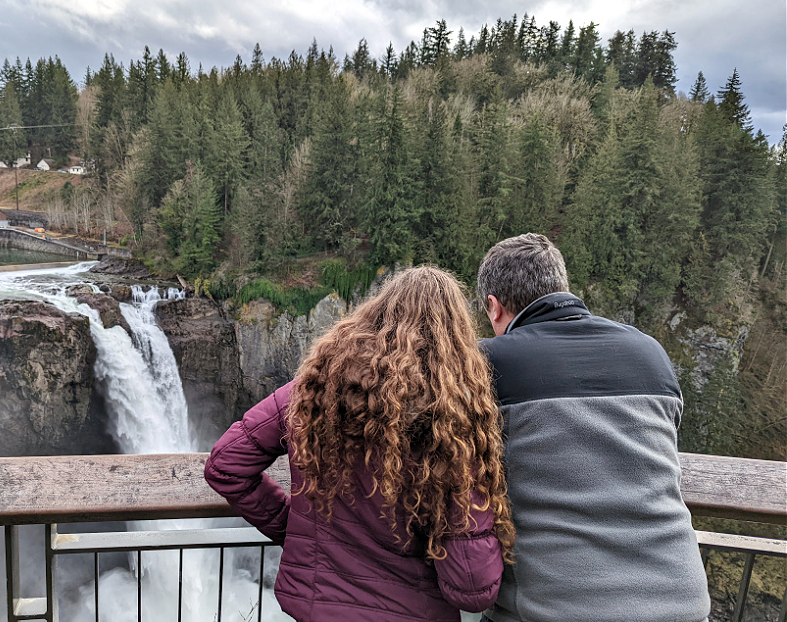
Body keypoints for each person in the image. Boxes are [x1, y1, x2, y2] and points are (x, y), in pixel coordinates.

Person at [205, 266, 515, 621]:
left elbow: (226, 464)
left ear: (376, 315)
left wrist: (294, 528)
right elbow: (472, 587)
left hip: (317, 608)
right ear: (456, 342)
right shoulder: (450, 430)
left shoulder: (314, 390)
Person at [476, 234, 710, 622]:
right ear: (562, 287)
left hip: (555, 609)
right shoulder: (650, 352)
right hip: (683, 604)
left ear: (493, 306)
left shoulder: (490, 361)